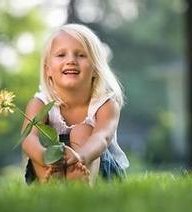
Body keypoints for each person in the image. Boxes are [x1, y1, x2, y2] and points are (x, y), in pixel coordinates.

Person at [21, 23, 129, 185]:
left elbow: (102, 137)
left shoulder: (105, 104)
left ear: (95, 69)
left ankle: (80, 185)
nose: (71, 60)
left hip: (99, 169)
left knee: (83, 130)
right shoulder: (40, 103)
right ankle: (52, 184)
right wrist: (46, 157)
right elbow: (28, 138)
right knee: (41, 141)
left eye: (81, 55)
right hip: (49, 164)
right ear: (47, 70)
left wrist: (81, 157)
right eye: (61, 55)